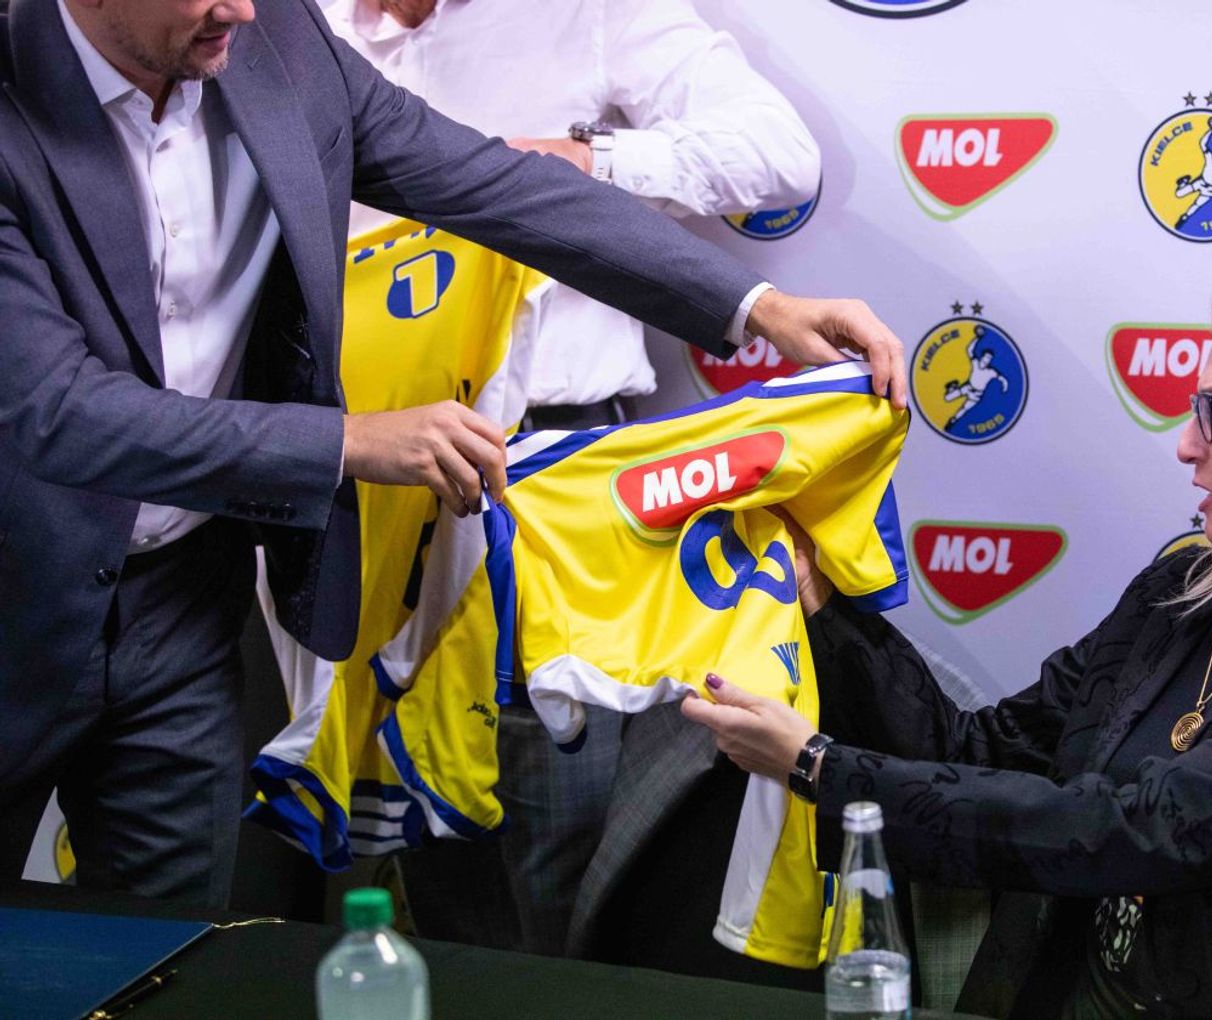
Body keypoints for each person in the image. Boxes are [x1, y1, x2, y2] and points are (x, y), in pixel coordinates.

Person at [0, 0, 903, 908]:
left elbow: (493, 186)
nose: (241, 6)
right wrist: (350, 442)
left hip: (185, 611)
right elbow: (59, 411)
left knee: (166, 947)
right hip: (21, 588)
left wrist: (758, 308)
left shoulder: (279, 41)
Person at [684, 276, 1212, 1017]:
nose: (1186, 445)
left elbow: (1126, 832)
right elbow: (972, 750)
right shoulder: (1177, 596)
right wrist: (821, 599)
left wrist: (816, 766)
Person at [321, 0, 822, 955]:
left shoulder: (585, 8)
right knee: (404, 824)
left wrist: (585, 163)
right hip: (358, 471)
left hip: (542, 474)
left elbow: (778, 152)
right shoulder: (289, 27)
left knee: (557, 847)